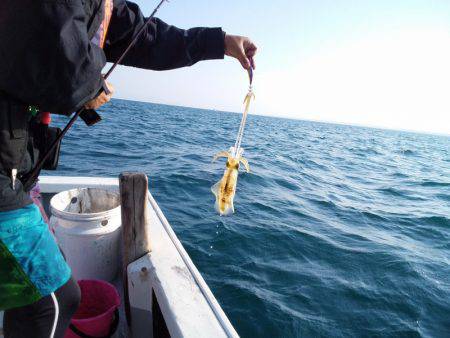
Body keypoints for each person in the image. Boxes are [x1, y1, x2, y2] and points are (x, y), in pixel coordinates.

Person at [0, 0, 257, 337]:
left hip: (15, 167)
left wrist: (221, 42)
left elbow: (148, 38)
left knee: (47, 279)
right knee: (51, 301)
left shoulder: (105, 6)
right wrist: (89, 83)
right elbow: (56, 49)